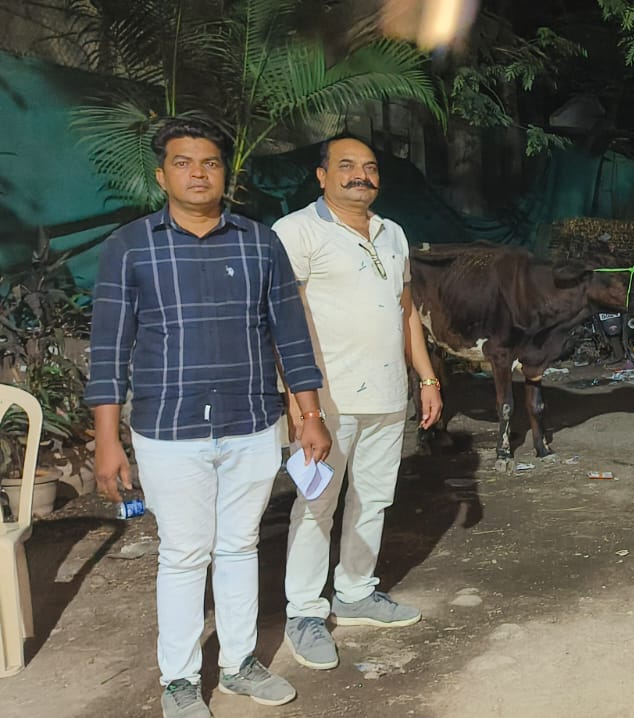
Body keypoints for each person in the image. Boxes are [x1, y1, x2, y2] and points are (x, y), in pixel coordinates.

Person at [86, 116, 331, 718]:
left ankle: (242, 663)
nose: (198, 173)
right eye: (183, 162)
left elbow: (290, 336)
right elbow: (109, 350)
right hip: (168, 431)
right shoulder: (130, 246)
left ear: (227, 172)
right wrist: (107, 441)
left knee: (242, 545)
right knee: (183, 553)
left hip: (251, 423)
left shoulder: (258, 241)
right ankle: (179, 679)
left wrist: (309, 413)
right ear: (161, 173)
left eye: (211, 162)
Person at [272, 135, 442, 671]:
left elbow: (405, 309)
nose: (359, 176)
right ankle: (303, 612)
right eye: (346, 167)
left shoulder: (393, 233)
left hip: (388, 396)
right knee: (315, 504)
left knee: (373, 498)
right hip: (324, 401)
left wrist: (428, 377)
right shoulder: (295, 232)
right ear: (321, 175)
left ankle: (356, 590)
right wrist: (304, 410)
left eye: (369, 167)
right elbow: (284, 323)